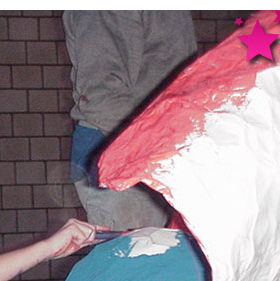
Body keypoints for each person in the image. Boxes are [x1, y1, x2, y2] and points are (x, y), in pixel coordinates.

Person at [63, 10, 197, 230]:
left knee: (163, 249)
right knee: (141, 249)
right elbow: (101, 95)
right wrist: (159, 150)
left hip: (157, 153)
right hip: (120, 155)